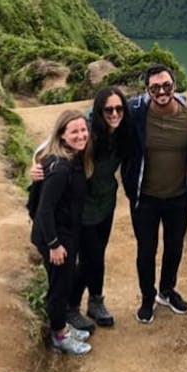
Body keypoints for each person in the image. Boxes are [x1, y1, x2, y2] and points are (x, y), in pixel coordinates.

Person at [122, 64, 187, 325]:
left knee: (174, 248)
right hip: (144, 198)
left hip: (178, 196)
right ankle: (148, 297)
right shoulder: (135, 112)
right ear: (147, 90)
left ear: (174, 85)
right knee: (146, 251)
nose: (161, 91)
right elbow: (98, 119)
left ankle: (167, 291)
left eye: (166, 85)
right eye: (155, 87)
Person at [64, 87, 133, 331]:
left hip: (106, 203)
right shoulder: (88, 131)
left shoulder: (122, 131)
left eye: (119, 108)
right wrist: (37, 166)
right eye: (108, 109)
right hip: (84, 208)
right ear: (99, 110)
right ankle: (70, 307)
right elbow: (53, 145)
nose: (115, 113)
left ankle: (95, 301)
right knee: (89, 257)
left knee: (98, 254)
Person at [30, 109, 95, 356]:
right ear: (62, 135)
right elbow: (45, 211)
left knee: (64, 280)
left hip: (65, 232)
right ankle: (59, 335)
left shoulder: (73, 157)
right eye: (74, 131)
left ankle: (62, 327)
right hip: (54, 236)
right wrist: (54, 245)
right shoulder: (60, 168)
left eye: (83, 130)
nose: (81, 135)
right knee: (59, 286)